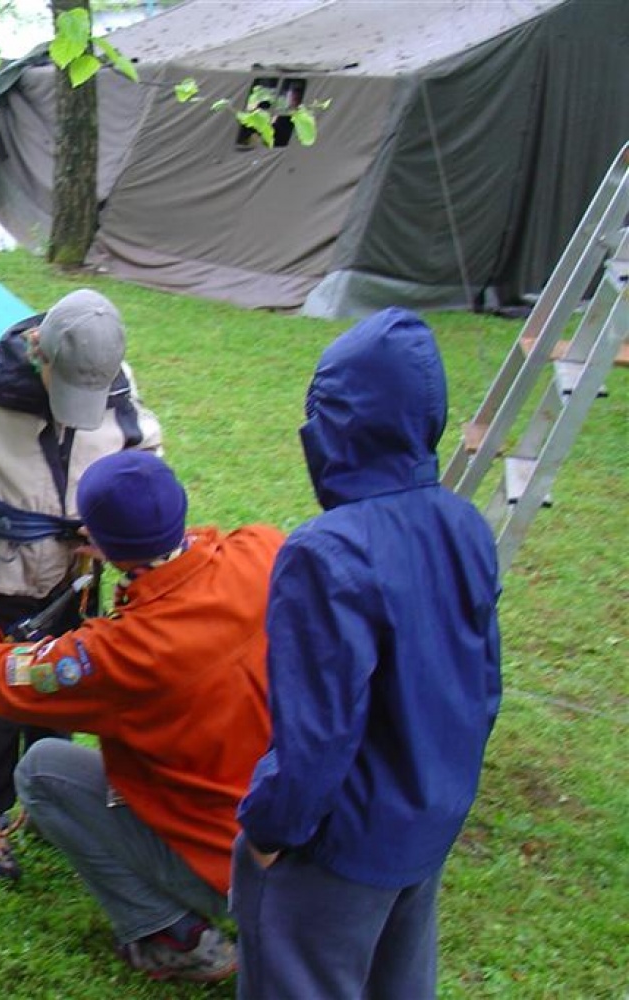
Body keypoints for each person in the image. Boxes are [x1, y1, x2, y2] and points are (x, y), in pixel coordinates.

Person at [234, 307, 503, 999]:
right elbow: (484, 685)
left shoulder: (326, 552)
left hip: (339, 843)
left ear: (334, 419)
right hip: (426, 817)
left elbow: (316, 733)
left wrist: (270, 828)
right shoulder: (465, 523)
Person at [0, 450, 282, 983]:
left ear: (100, 541)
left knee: (43, 770)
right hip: (310, 838)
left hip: (233, 868)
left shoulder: (122, 654)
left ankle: (176, 937)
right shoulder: (263, 549)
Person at [0, 288, 163, 881]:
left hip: (75, 577)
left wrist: (115, 521)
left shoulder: (110, 381)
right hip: (2, 572)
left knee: (61, 684)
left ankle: (46, 797)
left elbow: (144, 448)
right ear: (39, 350)